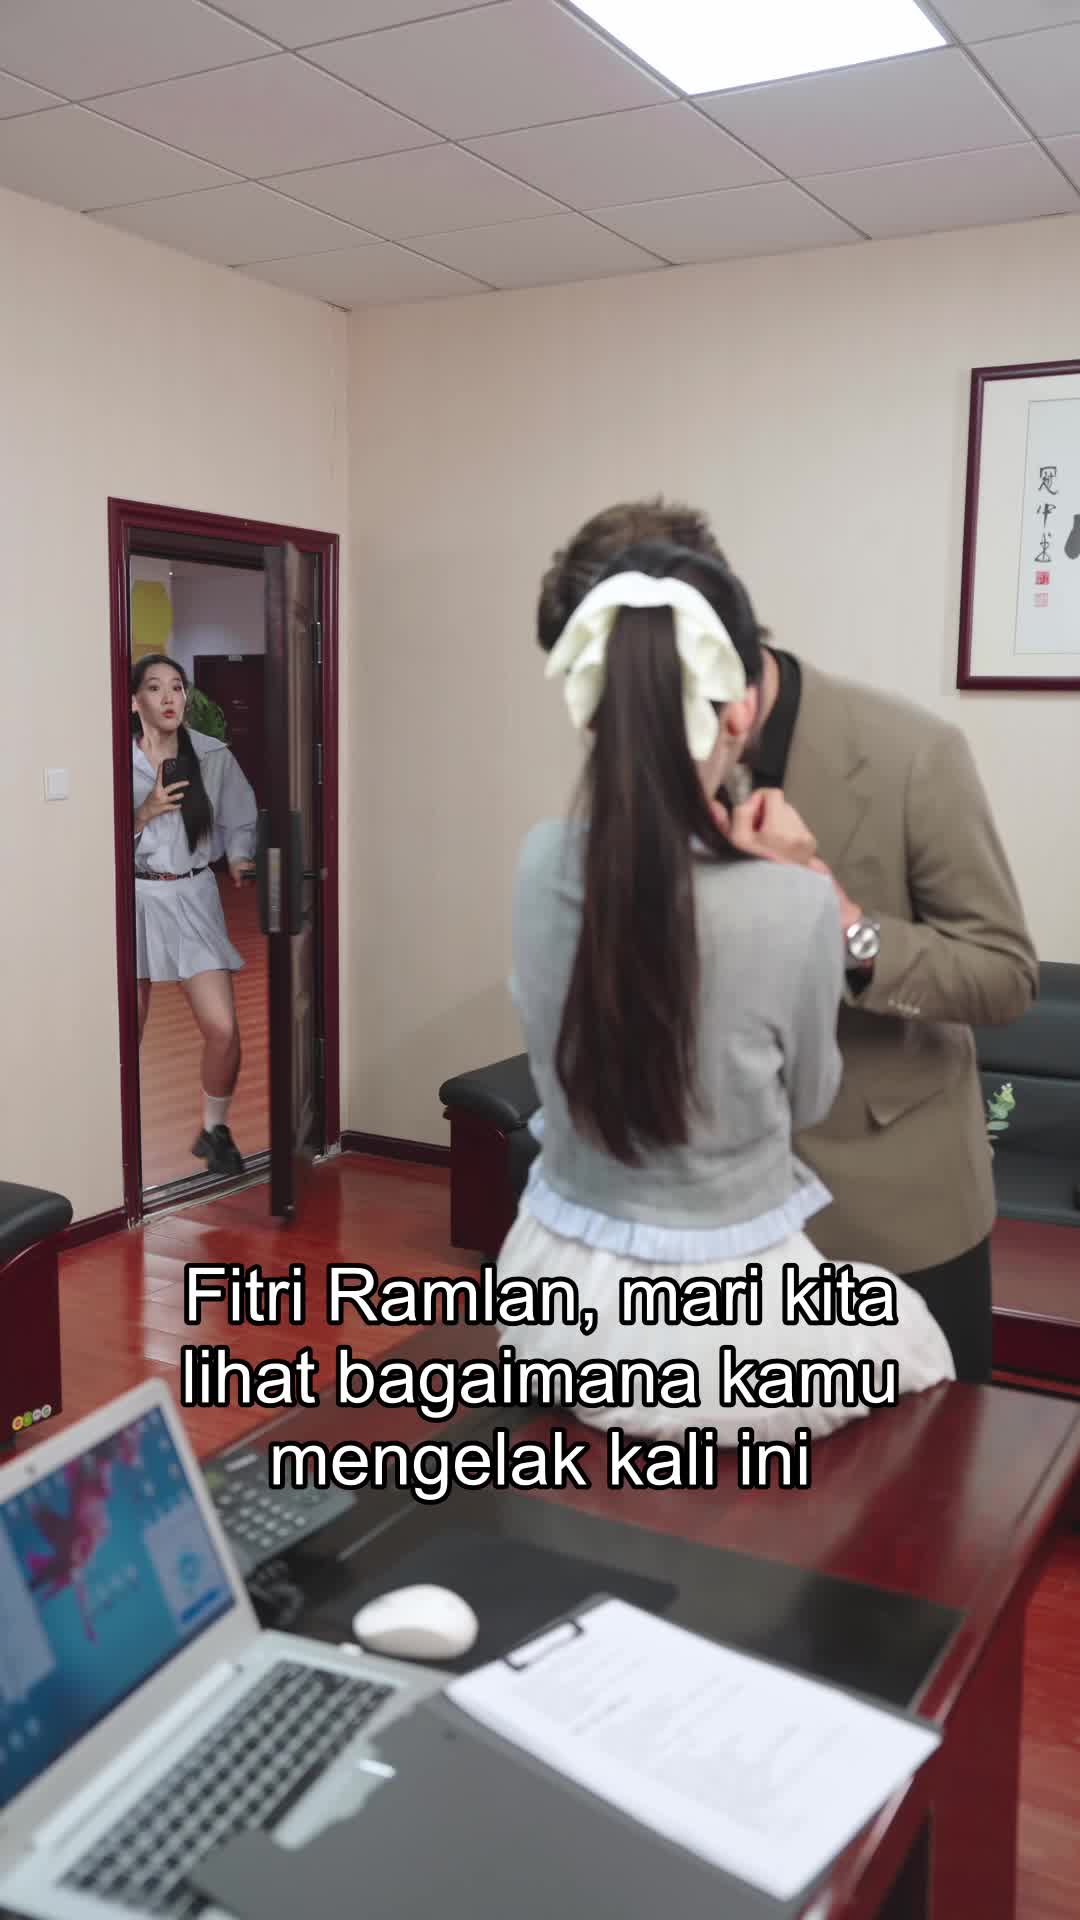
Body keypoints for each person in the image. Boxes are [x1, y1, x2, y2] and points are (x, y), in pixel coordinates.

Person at [534, 501, 1038, 1384]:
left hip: (892, 1218)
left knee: (933, 1469)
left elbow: (1005, 976)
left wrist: (842, 923)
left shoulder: (913, 754)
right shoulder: (627, 768)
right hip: (702, 1236)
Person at [497, 540, 954, 1449]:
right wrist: (799, 887)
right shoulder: (793, 902)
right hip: (731, 1330)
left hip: (554, 1292)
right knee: (920, 1349)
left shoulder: (541, 859)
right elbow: (809, 1101)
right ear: (739, 711)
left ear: (594, 711)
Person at [130, 653, 257, 1178]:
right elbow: (88, 837)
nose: (169, 697)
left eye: (177, 687)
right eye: (155, 687)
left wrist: (242, 857)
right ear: (134, 701)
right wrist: (144, 811)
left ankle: (214, 1130)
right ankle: (115, 1143)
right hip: (135, 899)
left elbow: (241, 817)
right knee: (126, 1036)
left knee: (223, 1028)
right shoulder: (113, 759)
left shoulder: (212, 755)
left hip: (194, 896)